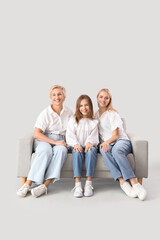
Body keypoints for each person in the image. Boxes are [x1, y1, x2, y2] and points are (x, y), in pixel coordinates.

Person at [17, 85, 73, 198]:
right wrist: (54, 142)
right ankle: (27, 184)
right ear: (50, 97)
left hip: (61, 139)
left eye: (59, 94)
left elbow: (73, 129)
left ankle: (44, 186)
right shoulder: (45, 113)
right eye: (54, 95)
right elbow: (37, 134)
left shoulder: (69, 111)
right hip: (44, 138)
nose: (57, 97)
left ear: (64, 96)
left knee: (62, 151)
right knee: (45, 150)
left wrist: (68, 142)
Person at [95, 88, 147, 201]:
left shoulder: (112, 114)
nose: (103, 100)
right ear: (97, 98)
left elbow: (115, 136)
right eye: (101, 97)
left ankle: (135, 183)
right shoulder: (96, 115)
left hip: (120, 141)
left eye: (106, 98)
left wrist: (106, 142)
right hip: (108, 143)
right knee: (103, 150)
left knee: (116, 151)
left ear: (109, 100)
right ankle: (123, 183)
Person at [66, 95, 99, 198]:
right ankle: (78, 185)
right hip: (76, 145)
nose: (84, 108)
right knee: (77, 151)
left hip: (89, 145)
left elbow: (94, 136)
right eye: (81, 106)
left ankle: (89, 184)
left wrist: (90, 142)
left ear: (90, 106)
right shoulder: (73, 120)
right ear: (78, 107)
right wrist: (75, 144)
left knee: (91, 150)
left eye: (86, 105)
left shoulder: (94, 122)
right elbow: (70, 134)